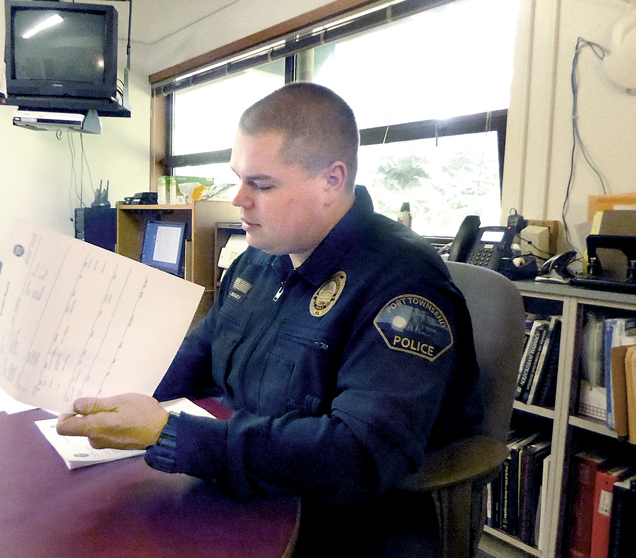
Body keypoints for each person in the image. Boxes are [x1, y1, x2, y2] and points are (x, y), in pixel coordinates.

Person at [57, 82, 483, 557]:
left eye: (261, 184)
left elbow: (359, 456)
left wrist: (170, 434)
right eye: (238, 177)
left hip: (340, 517)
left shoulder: (403, 285)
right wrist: (108, 389)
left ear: (331, 181)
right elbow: (200, 352)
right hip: (245, 478)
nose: (239, 199)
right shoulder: (260, 256)